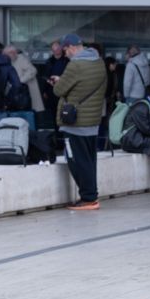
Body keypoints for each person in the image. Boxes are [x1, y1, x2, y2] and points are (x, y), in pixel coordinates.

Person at [52, 34, 107, 210]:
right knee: (89, 160)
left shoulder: (75, 65)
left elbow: (59, 90)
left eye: (65, 50)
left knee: (75, 160)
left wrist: (58, 82)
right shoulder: (98, 62)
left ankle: (88, 199)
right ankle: (91, 196)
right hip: (92, 121)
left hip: (75, 123)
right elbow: (84, 85)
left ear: (71, 47)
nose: (65, 54)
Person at [3, 45, 43, 129]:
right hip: (16, 97)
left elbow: (32, 70)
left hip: (26, 96)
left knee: (28, 119)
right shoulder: (8, 61)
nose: (5, 56)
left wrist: (20, 81)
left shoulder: (21, 58)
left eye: (8, 54)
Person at [40, 40, 69, 128]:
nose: (56, 50)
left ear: (61, 49)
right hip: (51, 91)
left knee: (64, 112)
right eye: (54, 49)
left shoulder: (67, 60)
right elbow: (44, 76)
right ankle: (57, 132)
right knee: (54, 113)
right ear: (52, 50)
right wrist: (44, 91)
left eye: (58, 48)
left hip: (64, 90)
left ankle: (63, 131)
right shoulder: (49, 61)